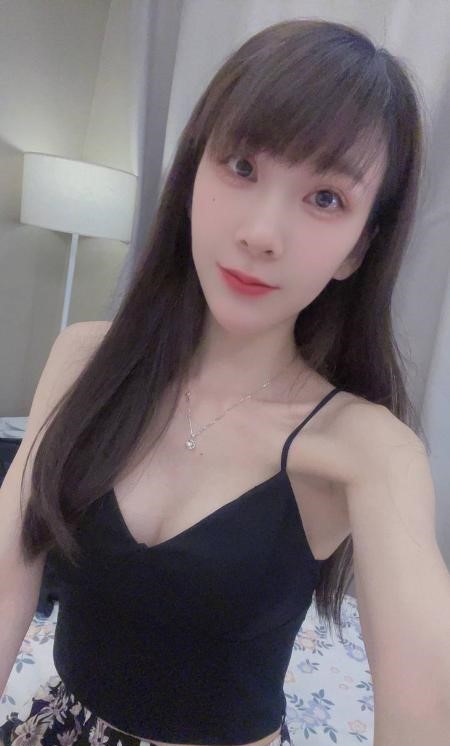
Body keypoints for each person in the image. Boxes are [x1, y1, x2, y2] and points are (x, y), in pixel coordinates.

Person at [0, 16, 429, 746]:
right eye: (242, 166)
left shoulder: (368, 450)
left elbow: (427, 701)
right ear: (193, 174)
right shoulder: (83, 361)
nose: (261, 232)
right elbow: (10, 566)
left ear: (358, 249)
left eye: (326, 197)